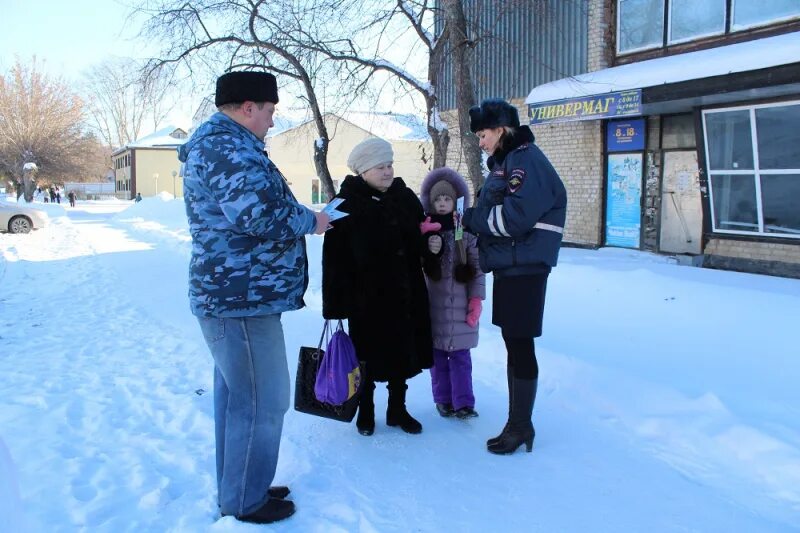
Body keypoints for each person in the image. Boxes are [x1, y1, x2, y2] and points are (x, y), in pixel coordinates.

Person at [178, 71, 329, 524]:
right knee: (264, 400)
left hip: (239, 294)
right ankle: (245, 499)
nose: (272, 121)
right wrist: (312, 221)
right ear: (248, 108)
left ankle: (241, 487)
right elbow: (258, 215)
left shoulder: (226, 144)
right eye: (269, 111)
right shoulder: (226, 147)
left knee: (238, 399)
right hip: (240, 297)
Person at [462, 99, 567, 455]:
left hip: (525, 267)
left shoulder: (525, 161)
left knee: (520, 344)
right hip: (512, 265)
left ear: (501, 129)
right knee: (514, 342)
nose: (481, 143)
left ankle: (521, 426)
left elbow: (514, 219)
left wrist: (472, 219)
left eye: (483, 134)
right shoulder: (509, 162)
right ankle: (517, 422)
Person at [322, 137, 433, 437]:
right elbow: (333, 258)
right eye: (380, 167)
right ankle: (366, 411)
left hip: (405, 293)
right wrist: (335, 304)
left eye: (389, 165)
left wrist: (431, 245)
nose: (387, 171)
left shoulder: (404, 197)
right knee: (366, 357)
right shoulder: (344, 205)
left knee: (402, 354)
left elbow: (421, 237)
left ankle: (398, 409)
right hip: (366, 299)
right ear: (363, 171)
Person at [419, 167, 485, 419]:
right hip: (434, 307)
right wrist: (428, 249)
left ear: (456, 201)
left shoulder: (465, 233)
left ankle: (464, 402)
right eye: (438, 199)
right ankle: (443, 399)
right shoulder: (425, 232)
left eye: (447, 198)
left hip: (461, 307)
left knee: (460, 357)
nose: (443, 203)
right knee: (437, 357)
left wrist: (476, 299)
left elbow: (477, 267)